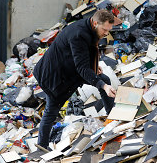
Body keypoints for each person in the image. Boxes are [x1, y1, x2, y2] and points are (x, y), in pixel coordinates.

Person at [33, 10, 117, 149]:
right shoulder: (79, 34)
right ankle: (40, 148)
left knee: (104, 78)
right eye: (104, 30)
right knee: (52, 109)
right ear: (95, 23)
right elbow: (82, 68)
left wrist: (94, 67)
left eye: (109, 30)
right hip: (54, 75)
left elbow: (86, 53)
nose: (106, 33)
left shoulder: (91, 28)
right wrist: (102, 86)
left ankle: (113, 120)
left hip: (70, 69)